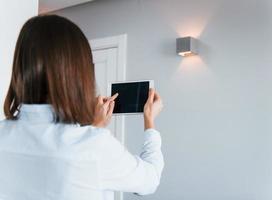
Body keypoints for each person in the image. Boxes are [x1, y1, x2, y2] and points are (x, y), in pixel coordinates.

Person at [0, 15, 164, 200]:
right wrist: (150, 121)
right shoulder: (95, 146)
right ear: (79, 72)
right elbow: (150, 180)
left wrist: (93, 129)